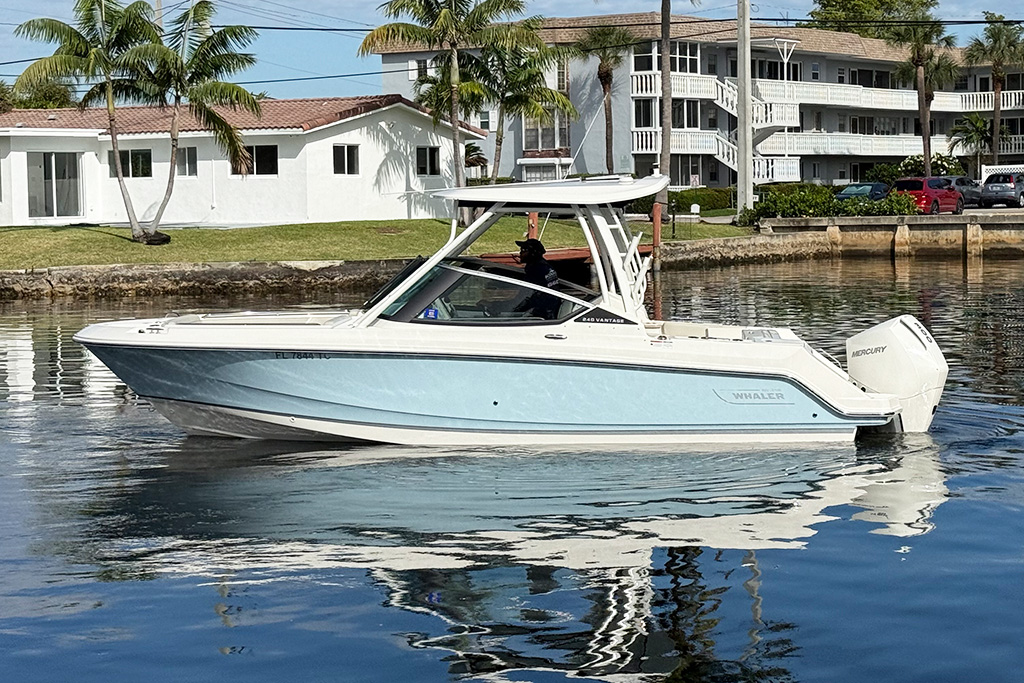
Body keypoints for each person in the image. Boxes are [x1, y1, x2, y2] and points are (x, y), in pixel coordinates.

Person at [514, 238, 560, 319]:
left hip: (544, 312)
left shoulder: (536, 269)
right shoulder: (544, 266)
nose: (520, 253)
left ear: (533, 253)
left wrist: (513, 309)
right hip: (552, 307)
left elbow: (526, 294)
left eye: (524, 250)